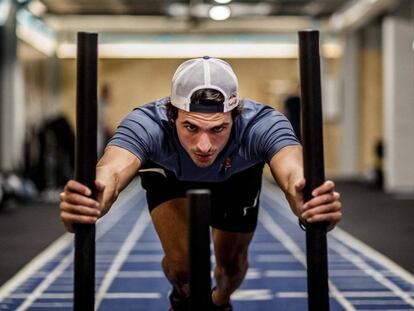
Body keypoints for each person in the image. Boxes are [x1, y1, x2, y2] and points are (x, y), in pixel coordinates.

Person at [59, 56, 342, 311]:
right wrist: (93, 196)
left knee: (231, 268)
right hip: (170, 177)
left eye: (218, 128)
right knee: (184, 268)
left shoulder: (262, 123)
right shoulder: (146, 124)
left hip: (237, 177)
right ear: (172, 114)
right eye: (191, 127)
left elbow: (294, 170)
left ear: (235, 115)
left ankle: (219, 302)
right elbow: (112, 170)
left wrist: (306, 197)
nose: (204, 145)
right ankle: (182, 296)